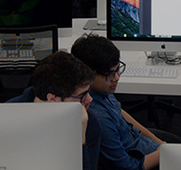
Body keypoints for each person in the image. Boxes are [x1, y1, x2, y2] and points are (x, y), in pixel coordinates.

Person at [71, 34, 175, 170]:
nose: (117, 78)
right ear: (89, 73)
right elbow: (127, 166)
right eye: (110, 74)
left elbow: (119, 112)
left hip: (135, 139)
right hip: (137, 158)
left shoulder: (102, 90)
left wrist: (159, 143)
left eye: (118, 69)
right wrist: (163, 152)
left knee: (176, 142)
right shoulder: (99, 117)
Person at [7, 51, 101, 170]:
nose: (90, 99)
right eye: (82, 95)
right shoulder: (8, 117)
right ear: (52, 99)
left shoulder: (88, 122)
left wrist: (80, 140)